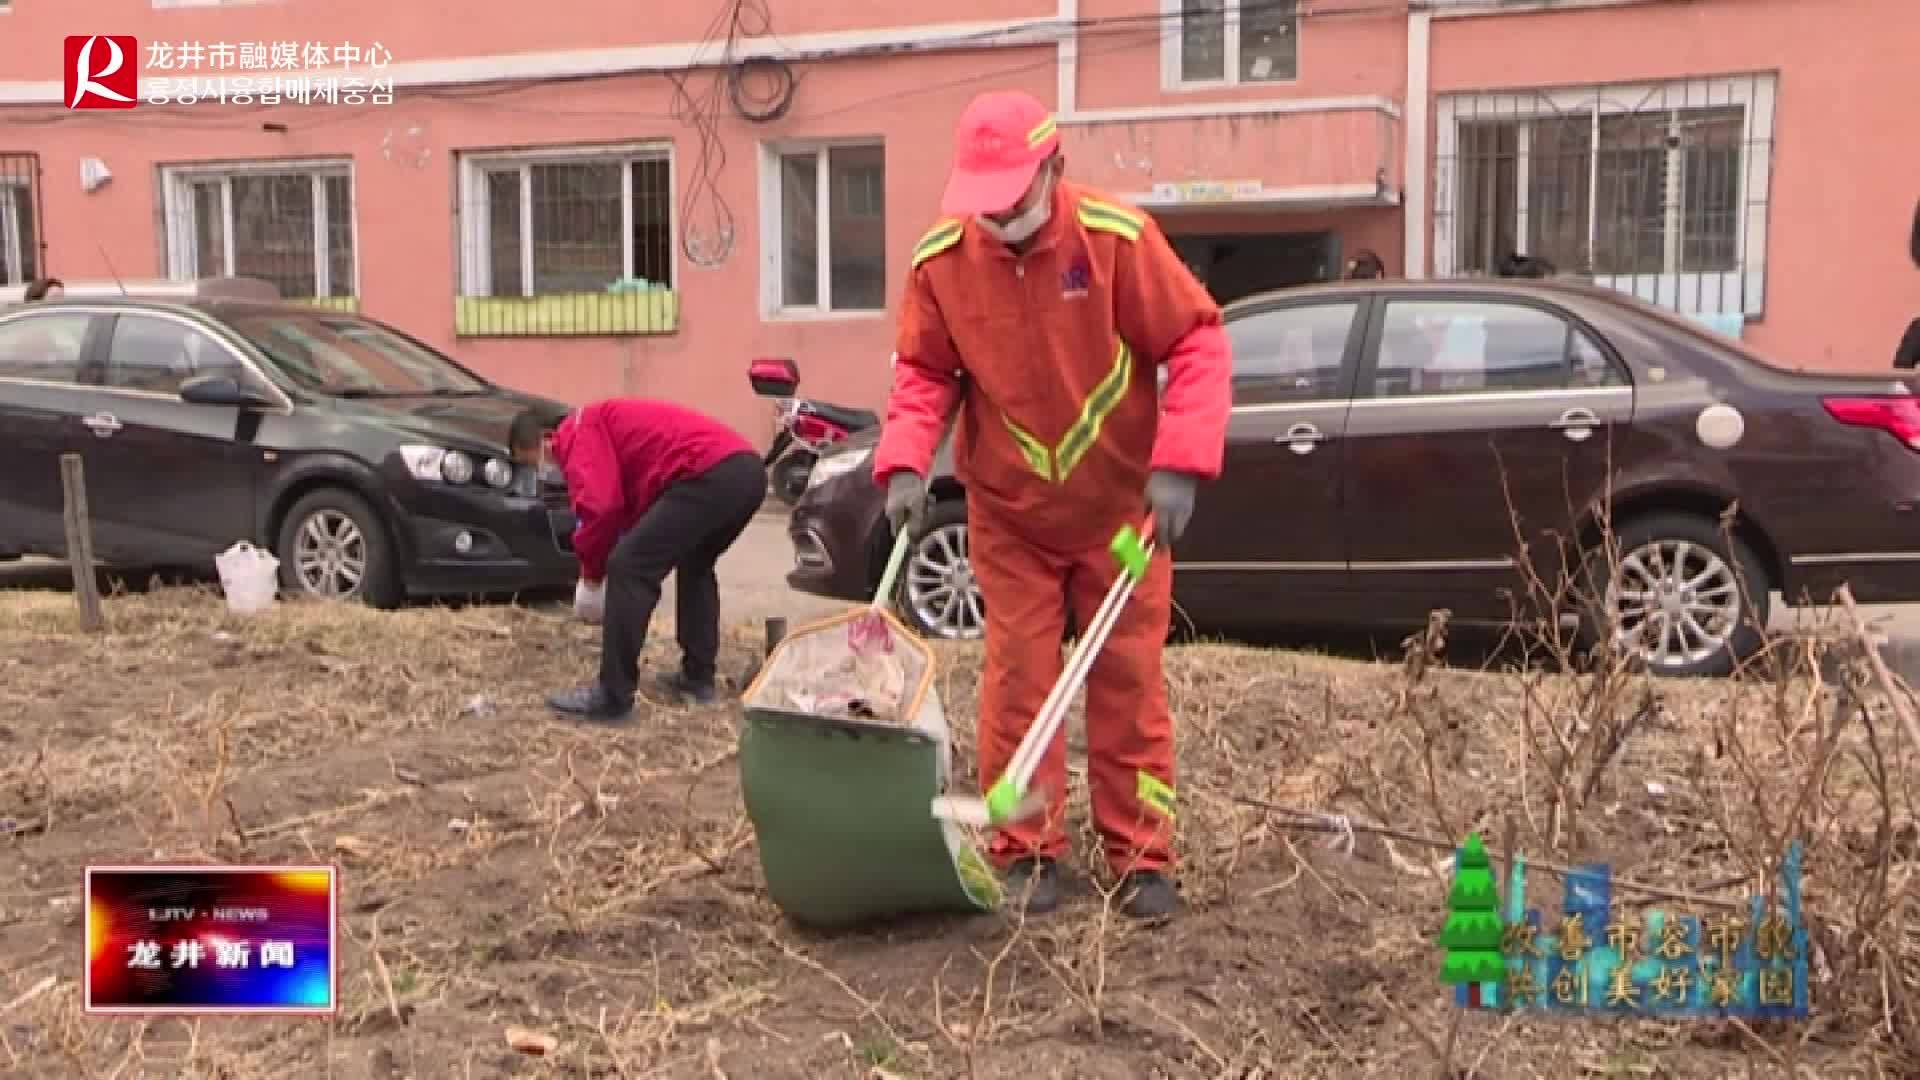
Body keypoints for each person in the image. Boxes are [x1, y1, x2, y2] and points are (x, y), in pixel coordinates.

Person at [873, 89, 1232, 920]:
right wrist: (903, 462)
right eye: (982, 203)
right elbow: (925, 373)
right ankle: (1025, 851)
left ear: (1053, 171)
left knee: (1128, 681)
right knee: (1019, 682)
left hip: (1123, 516)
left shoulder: (1117, 241)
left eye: (1011, 200)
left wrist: (1180, 464)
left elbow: (1196, 341)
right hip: (1011, 515)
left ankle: (1144, 860)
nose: (995, 218)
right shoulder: (942, 261)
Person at [508, 400, 767, 721]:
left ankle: (613, 697)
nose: (543, 471)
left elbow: (601, 509)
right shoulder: (605, 425)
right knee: (695, 564)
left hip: (708, 472)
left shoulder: (576, 432)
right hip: (745, 473)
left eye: (534, 462)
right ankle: (697, 678)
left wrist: (591, 576)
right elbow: (631, 504)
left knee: (629, 568)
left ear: (546, 439)